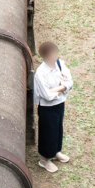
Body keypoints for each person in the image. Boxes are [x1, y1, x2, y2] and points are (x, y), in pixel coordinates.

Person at [33, 42, 73, 173]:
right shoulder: (40, 73)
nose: (54, 58)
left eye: (55, 54)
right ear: (45, 57)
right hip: (47, 108)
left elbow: (70, 83)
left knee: (58, 129)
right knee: (47, 132)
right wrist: (63, 86)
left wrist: (58, 88)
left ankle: (55, 151)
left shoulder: (60, 64)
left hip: (60, 104)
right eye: (51, 56)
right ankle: (44, 159)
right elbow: (47, 96)